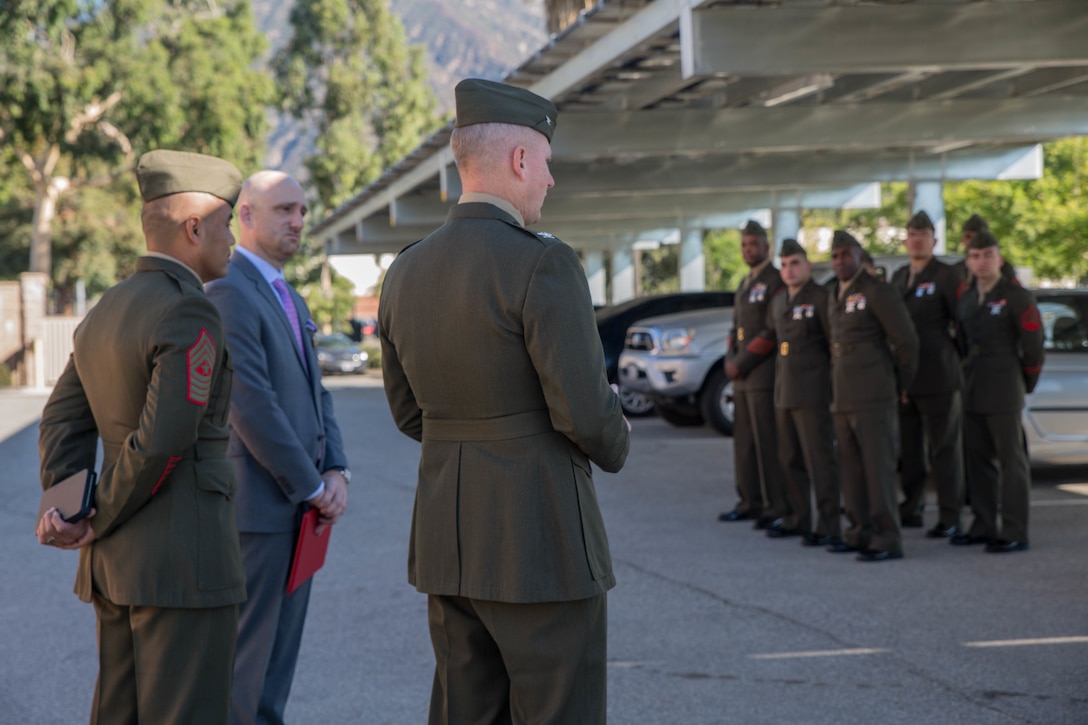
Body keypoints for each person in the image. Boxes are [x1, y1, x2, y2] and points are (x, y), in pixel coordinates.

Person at [378, 78, 630, 725]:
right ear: (520, 160)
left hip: (448, 539)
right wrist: (618, 436)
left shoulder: (405, 269)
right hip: (539, 538)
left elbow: (410, 413)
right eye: (546, 164)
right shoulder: (542, 264)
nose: (549, 180)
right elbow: (585, 412)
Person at [36, 149, 246, 724]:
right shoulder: (188, 313)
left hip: (115, 568)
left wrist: (67, 506)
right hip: (185, 565)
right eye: (228, 224)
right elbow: (162, 442)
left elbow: (61, 420)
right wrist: (94, 515)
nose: (233, 239)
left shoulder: (107, 308)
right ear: (194, 227)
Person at [205, 171, 350, 725]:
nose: (297, 221)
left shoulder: (289, 292)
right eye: (284, 209)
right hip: (260, 512)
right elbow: (251, 404)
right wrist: (312, 486)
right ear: (246, 215)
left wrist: (336, 468)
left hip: (301, 512)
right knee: (248, 669)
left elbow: (318, 393)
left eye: (302, 212)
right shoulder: (228, 289)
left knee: (277, 669)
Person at [827, 230, 919, 562]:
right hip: (843, 396)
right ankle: (858, 531)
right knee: (851, 471)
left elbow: (906, 341)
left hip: (874, 395)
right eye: (835, 255)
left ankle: (887, 538)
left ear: (859, 255)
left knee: (878, 470)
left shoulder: (877, 291)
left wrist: (898, 384)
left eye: (846, 254)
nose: (840, 261)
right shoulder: (834, 293)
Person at [954, 230, 1044, 553]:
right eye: (975, 256)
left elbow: (1033, 348)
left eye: (987, 255)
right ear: (968, 261)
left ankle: (1014, 530)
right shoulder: (966, 297)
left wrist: (1024, 383)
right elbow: (963, 342)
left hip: (1004, 386)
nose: (981, 262)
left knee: (1011, 462)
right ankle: (983, 524)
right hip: (974, 386)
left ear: (999, 259)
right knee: (977, 461)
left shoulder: (1016, 297)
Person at [890, 211, 966, 537]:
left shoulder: (947, 275)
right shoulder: (899, 276)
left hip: (939, 375)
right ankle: (912, 508)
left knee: (944, 450)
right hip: (907, 378)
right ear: (905, 241)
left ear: (933, 241)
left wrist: (955, 360)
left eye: (923, 234)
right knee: (910, 451)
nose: (916, 239)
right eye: (912, 234)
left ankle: (950, 517)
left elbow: (963, 324)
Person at [766, 238, 842, 546]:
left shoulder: (822, 297)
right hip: (785, 390)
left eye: (795, 263)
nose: (789, 269)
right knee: (790, 459)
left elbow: (833, 345)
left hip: (813, 392)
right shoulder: (779, 301)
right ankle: (798, 519)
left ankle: (828, 525)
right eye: (784, 265)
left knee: (819, 460)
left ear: (808, 265)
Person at [719, 219, 786, 529]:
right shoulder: (745, 283)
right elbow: (736, 328)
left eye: (754, 245)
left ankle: (775, 506)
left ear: (766, 248)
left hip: (762, 375)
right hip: (742, 378)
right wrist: (730, 358)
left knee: (767, 443)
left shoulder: (775, 280)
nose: (748, 250)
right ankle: (749, 501)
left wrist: (741, 362)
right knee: (743, 443)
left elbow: (772, 330)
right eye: (745, 245)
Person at [954, 214, 1017, 284]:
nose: (972, 242)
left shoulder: (1004, 268)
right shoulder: (956, 270)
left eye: (976, 238)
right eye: (968, 237)